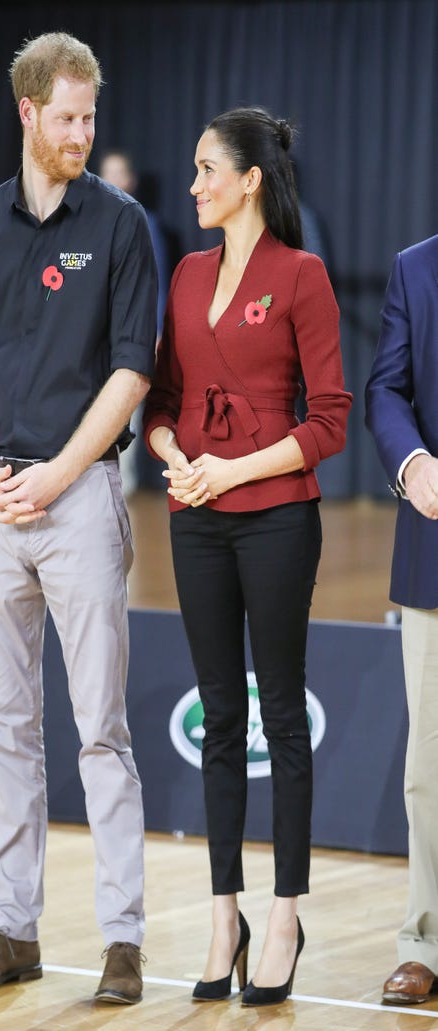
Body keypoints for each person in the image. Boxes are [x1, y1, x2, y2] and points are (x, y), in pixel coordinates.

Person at [0, 32, 157, 1003]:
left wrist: (62, 473)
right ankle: (9, 927)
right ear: (26, 114)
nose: (83, 132)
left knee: (99, 728)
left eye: (90, 117)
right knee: (6, 724)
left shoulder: (120, 226)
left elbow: (131, 370)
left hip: (82, 500)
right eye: (67, 117)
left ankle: (122, 940)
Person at [143, 106, 352, 1006]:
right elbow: (158, 402)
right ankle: (223, 913)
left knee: (281, 722)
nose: (192, 185)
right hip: (195, 517)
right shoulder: (185, 274)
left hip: (275, 520)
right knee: (220, 719)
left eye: (205, 169)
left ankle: (282, 915)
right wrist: (178, 461)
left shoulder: (303, 276)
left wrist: (233, 467)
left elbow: (329, 420)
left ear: (250, 180)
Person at [365, 235, 438, 1006]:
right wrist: (414, 463)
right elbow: (386, 389)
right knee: (428, 769)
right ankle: (426, 940)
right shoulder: (415, 268)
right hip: (435, 546)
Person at [99, 149, 172, 493]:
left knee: (130, 403)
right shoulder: (91, 222)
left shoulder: (146, 222)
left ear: (130, 180)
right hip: (99, 332)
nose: (112, 180)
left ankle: (123, 478)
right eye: (106, 172)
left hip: (132, 332)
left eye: (118, 173)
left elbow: (157, 281)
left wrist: (158, 329)